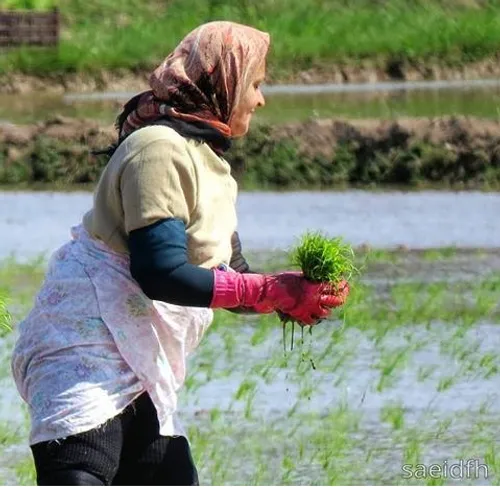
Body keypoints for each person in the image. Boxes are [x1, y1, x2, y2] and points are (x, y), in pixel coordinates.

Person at [11, 21, 350, 486]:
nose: (260, 99)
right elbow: (162, 272)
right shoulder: (158, 149)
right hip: (85, 347)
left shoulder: (210, 164)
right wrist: (269, 290)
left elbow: (231, 275)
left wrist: (289, 298)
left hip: (143, 358)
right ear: (223, 83)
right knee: (82, 474)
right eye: (255, 84)